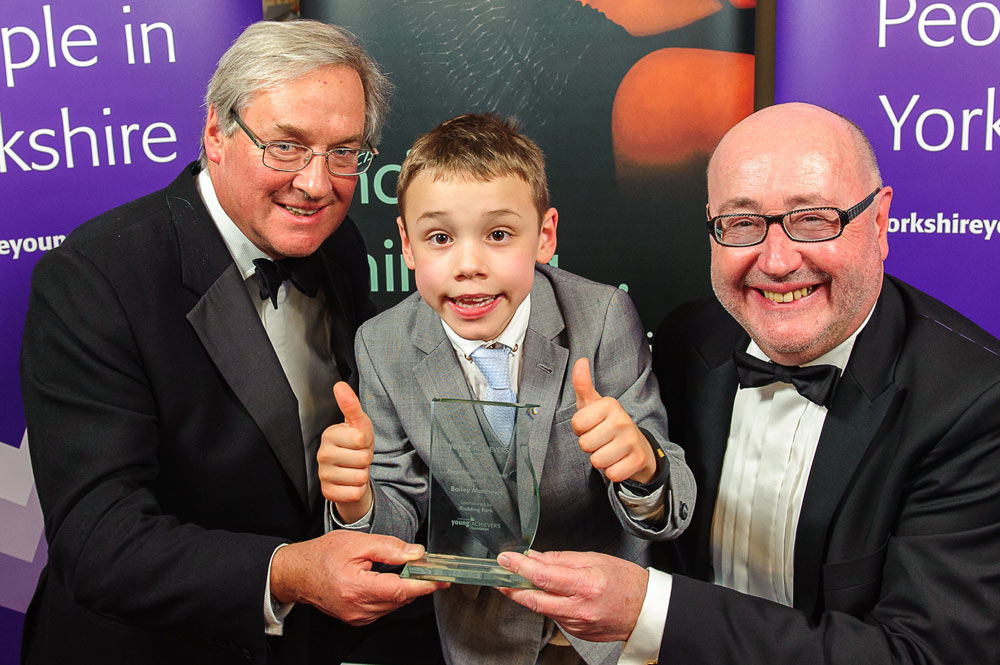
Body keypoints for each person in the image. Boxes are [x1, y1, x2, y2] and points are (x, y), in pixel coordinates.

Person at [496, 102, 1000, 664]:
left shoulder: (975, 402)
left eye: (813, 218)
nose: (778, 261)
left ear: (879, 223)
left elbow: (923, 655)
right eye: (743, 223)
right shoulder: (689, 338)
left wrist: (650, 611)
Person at [19, 19, 442, 665]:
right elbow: (98, 540)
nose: (317, 183)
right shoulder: (94, 277)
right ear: (216, 132)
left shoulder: (339, 245)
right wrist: (288, 572)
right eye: (286, 146)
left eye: (344, 152)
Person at [316, 113, 695, 665]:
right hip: (482, 639)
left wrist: (642, 468)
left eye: (498, 234)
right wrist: (357, 504)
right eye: (440, 238)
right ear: (406, 244)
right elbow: (398, 513)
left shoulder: (604, 317)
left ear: (544, 235)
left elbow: (671, 505)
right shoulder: (383, 342)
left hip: (597, 628)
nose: (469, 265)